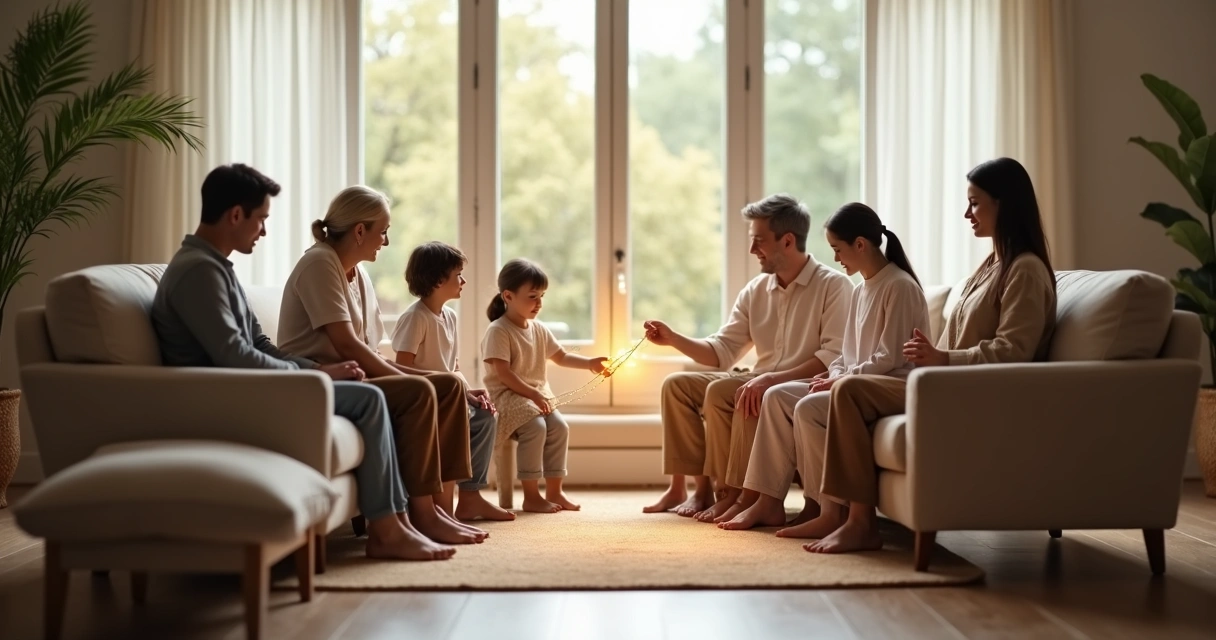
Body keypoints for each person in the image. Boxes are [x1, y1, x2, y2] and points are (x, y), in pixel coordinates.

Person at [151, 163, 455, 561]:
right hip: (231, 398)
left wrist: (313, 372)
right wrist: (314, 373)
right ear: (236, 215)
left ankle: (398, 522)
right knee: (370, 399)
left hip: (257, 386)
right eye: (260, 219)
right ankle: (389, 527)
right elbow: (234, 357)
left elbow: (258, 342)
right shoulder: (197, 274)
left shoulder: (215, 268)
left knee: (378, 396)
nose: (263, 230)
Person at [805, 157, 1058, 554]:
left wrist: (943, 359)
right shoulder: (993, 264)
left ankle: (859, 523)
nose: (966, 213)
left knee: (850, 390)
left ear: (1003, 204)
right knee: (844, 389)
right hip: (947, 385)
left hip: (971, 392)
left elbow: (1014, 351)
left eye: (975, 203)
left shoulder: (1024, 271)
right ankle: (840, 514)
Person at [277, 186, 485, 546]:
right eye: (382, 231)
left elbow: (369, 349)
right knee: (422, 389)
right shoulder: (320, 263)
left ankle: (440, 510)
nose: (385, 242)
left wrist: (438, 377)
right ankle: (420, 513)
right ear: (360, 231)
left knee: (450, 384)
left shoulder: (358, 273)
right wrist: (411, 377)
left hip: (357, 373)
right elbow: (346, 345)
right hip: (320, 380)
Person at [718, 203, 929, 533]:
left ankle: (830, 511)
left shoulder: (899, 286)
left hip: (890, 384)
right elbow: (844, 354)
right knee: (776, 396)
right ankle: (767, 500)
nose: (835, 258)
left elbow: (889, 358)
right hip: (857, 381)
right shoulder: (861, 289)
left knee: (808, 407)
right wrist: (833, 376)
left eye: (838, 249)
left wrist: (842, 380)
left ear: (860, 245)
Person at [641, 194, 852, 522]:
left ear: (787, 241)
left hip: (799, 383)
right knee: (677, 385)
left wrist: (770, 379)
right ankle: (694, 490)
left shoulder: (834, 286)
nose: (753, 250)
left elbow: (832, 357)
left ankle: (732, 493)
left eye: (759, 241)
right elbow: (722, 352)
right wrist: (673, 339)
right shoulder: (756, 290)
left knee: (726, 392)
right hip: (759, 378)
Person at [391, 241, 513, 522]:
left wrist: (469, 392)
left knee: (485, 415)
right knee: (459, 418)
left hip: (450, 396)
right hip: (425, 401)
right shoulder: (415, 318)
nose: (463, 280)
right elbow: (402, 368)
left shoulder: (449, 316)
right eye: (458, 274)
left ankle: (470, 498)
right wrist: (453, 392)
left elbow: (453, 366)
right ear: (437, 279)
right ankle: (442, 508)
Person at [481, 258, 610, 513]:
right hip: (507, 396)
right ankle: (531, 496)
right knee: (536, 428)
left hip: (535, 396)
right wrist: (533, 394)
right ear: (508, 296)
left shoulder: (539, 328)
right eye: (532, 296)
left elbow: (561, 356)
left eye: (542, 296)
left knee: (560, 427)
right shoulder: (498, 331)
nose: (539, 303)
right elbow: (504, 375)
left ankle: (555, 491)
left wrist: (590, 363)